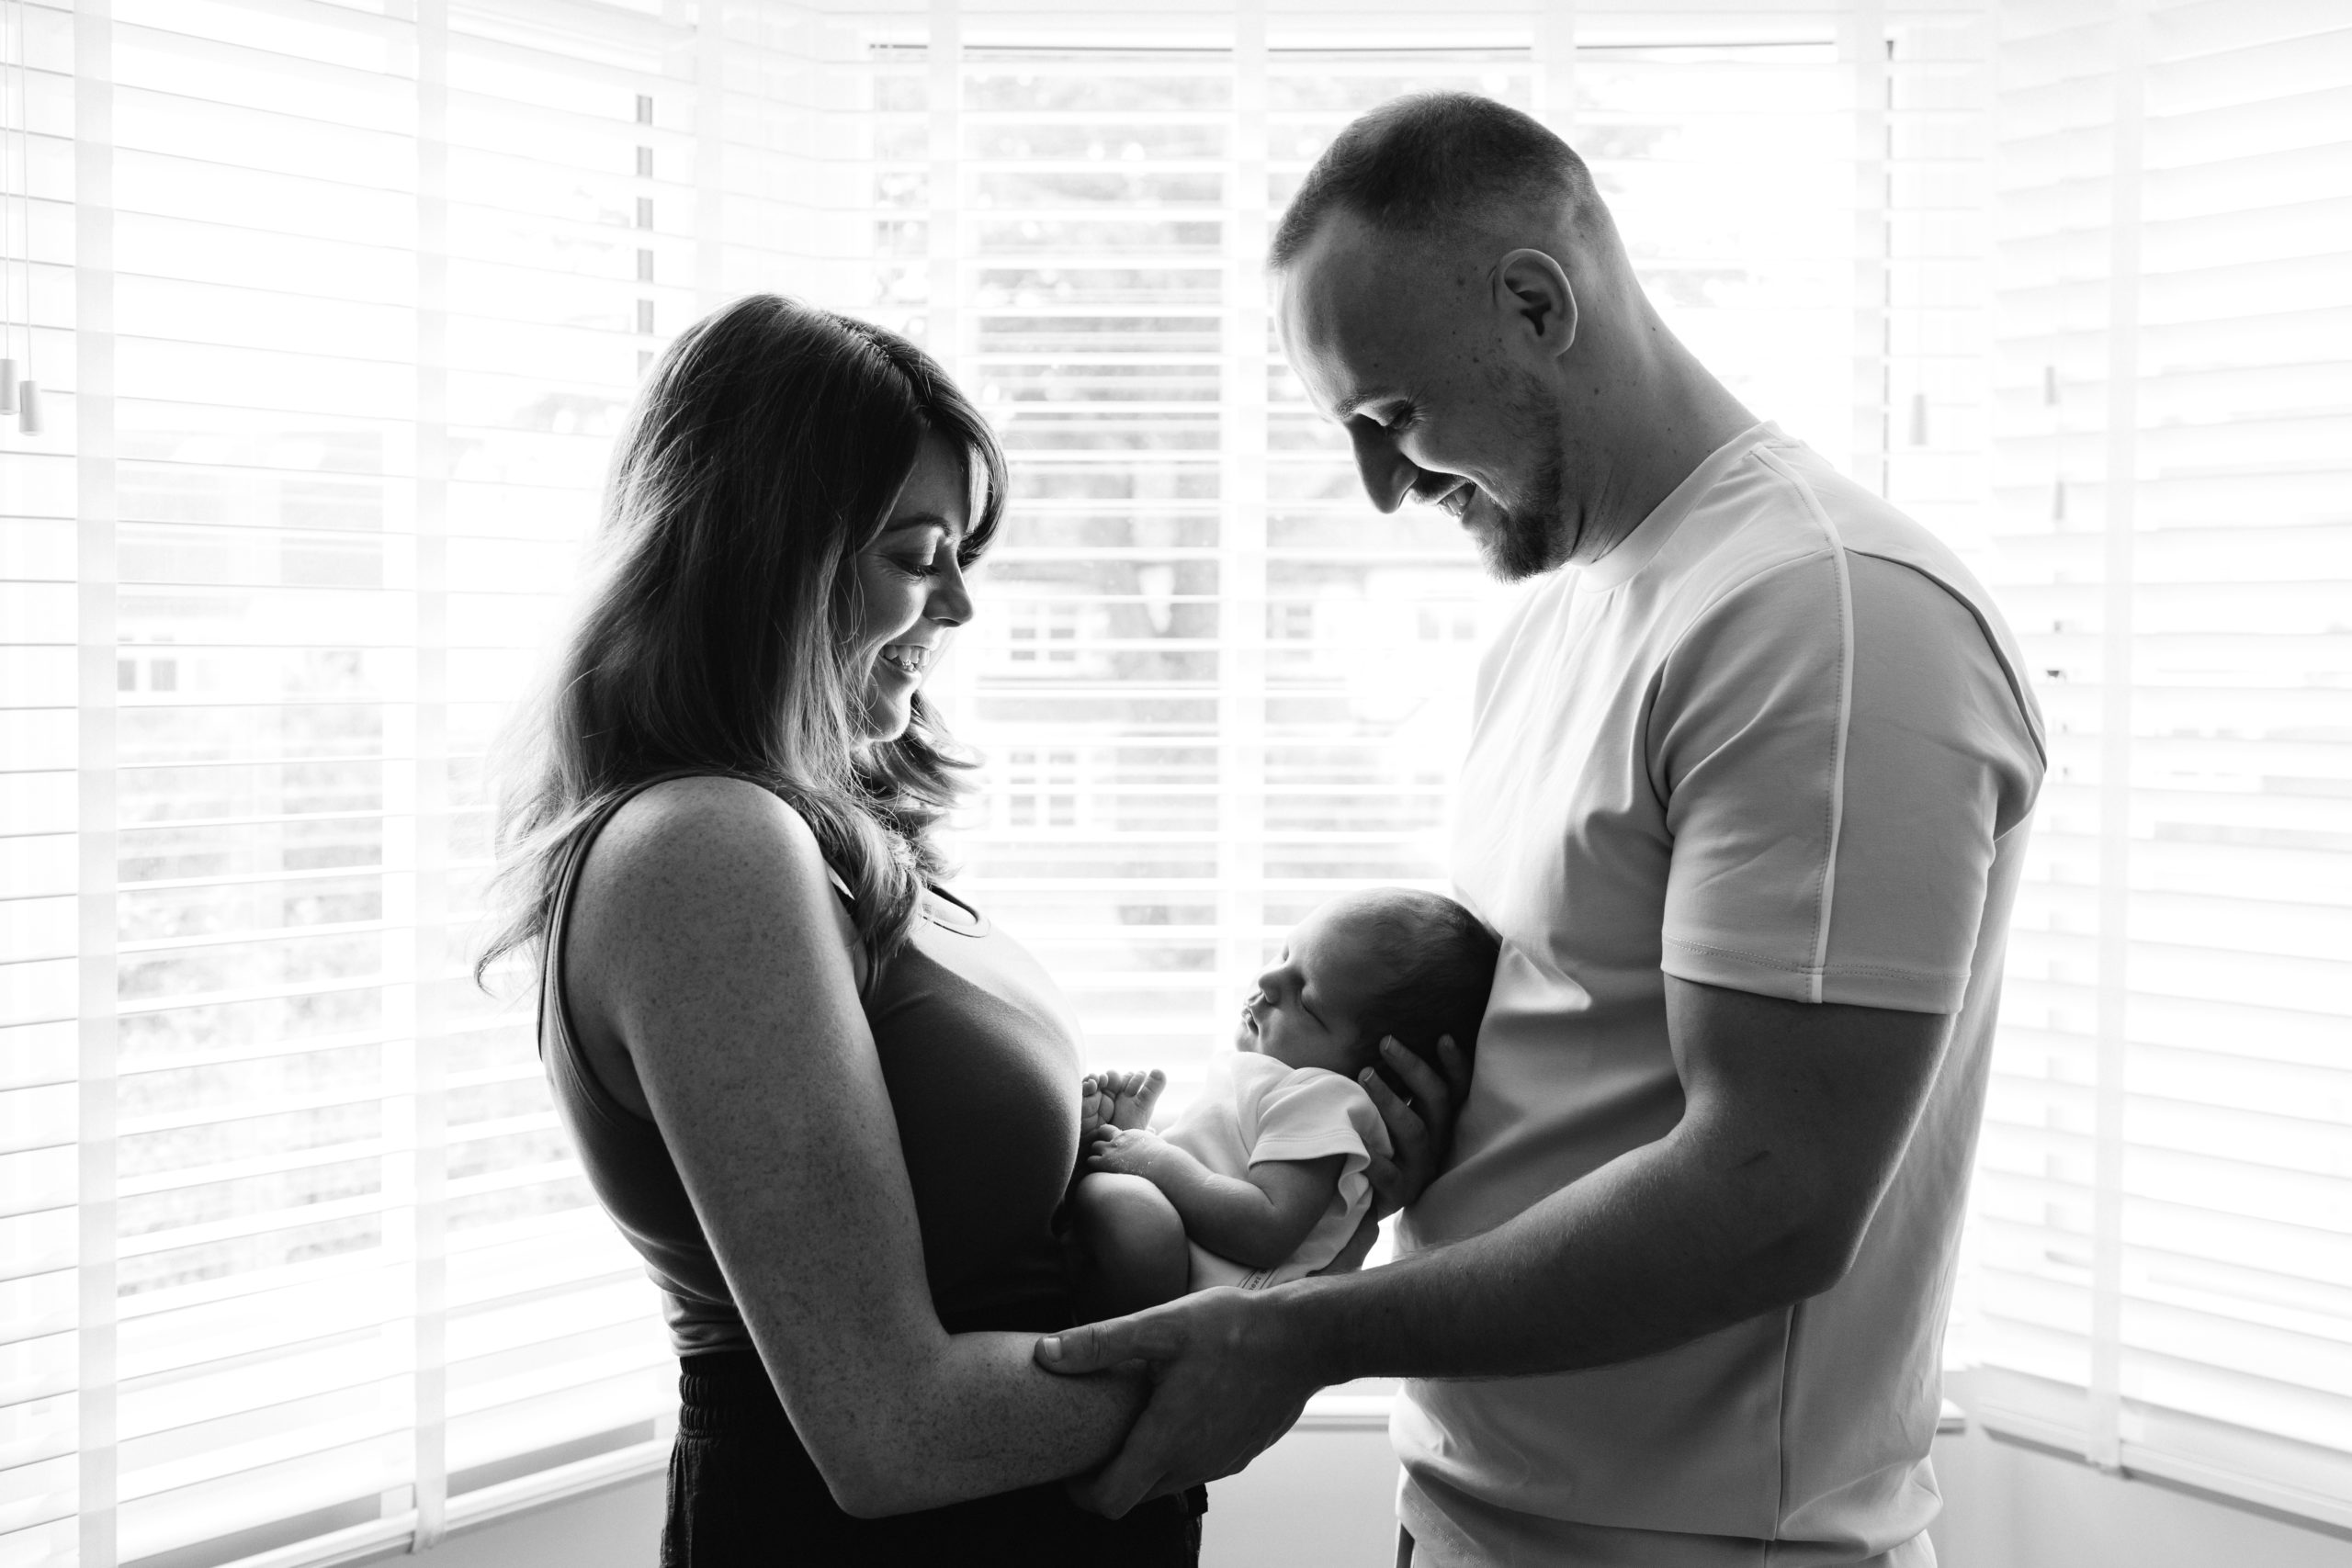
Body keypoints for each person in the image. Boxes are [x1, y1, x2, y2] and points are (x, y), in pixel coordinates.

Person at [1035, 93, 2047, 1568]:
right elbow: (1579, 1063)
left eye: (1389, 419)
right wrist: (1398, 1163)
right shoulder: (1555, 618)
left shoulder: (1825, 616)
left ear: (1535, 300)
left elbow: (1773, 1194)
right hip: (1477, 1510)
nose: (1382, 488)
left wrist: (1302, 1332)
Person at [481, 294, 1239, 1562]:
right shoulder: (704, 849)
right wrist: (1270, 1339)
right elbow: (895, 1429)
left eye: (960, 556)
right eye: (914, 552)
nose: (957, 606)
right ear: (767, 561)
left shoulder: (823, 835)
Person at [1071, 889, 1498, 1316]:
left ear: (1382, 1072)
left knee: (1134, 1215)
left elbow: (1267, 1227)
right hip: (1178, 1266)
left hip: (1204, 1306)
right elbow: (1217, 1166)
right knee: (1116, 1199)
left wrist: (1153, 1160)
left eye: (1307, 1001)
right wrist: (1133, 1135)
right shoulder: (1273, 1081)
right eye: (1283, 954)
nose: (1268, 982)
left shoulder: (1324, 1097)